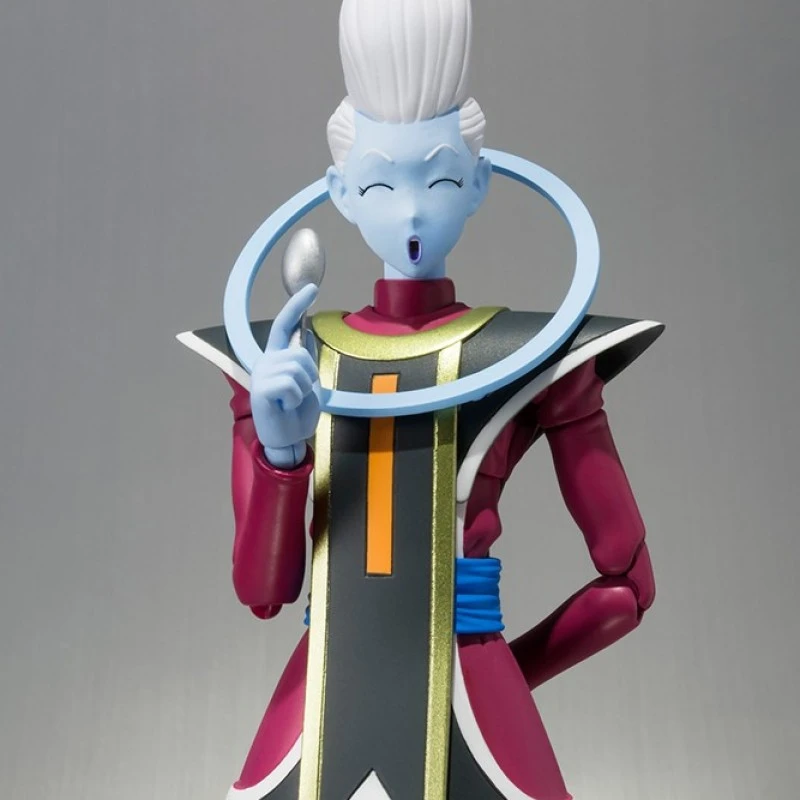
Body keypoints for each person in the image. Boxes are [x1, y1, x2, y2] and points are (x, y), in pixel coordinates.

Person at [180, 1, 663, 797]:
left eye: (437, 178)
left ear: (478, 183)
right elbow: (263, 594)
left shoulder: (532, 356)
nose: (409, 210)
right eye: (379, 181)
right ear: (339, 193)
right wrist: (282, 454)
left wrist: (499, 676)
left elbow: (627, 582)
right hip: (323, 704)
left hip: (472, 692)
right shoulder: (279, 364)